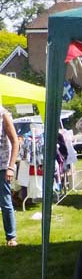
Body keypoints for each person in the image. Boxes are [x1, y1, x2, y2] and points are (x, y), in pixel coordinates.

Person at [0, 105, 19, 246]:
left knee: (5, 203)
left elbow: (15, 142)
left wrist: (11, 167)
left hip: (2, 166)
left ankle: (11, 237)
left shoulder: (3, 114)